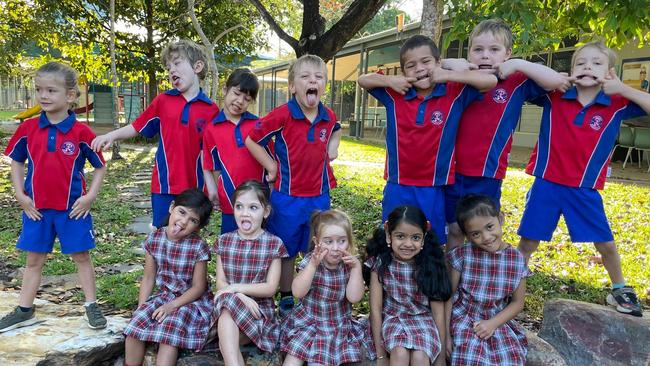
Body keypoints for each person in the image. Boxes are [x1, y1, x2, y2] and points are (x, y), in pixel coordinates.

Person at [518, 41, 649, 317]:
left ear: (610, 72)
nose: (588, 67)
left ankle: (620, 289)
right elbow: (526, 77)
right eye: (581, 63)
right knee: (528, 241)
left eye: (597, 63)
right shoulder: (555, 94)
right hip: (547, 183)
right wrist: (558, 78)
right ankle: (510, 285)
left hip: (583, 188)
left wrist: (623, 88)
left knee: (605, 242)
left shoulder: (617, 102)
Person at [357, 35, 497, 246]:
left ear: (438, 63)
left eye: (426, 62)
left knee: (430, 242)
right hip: (398, 183)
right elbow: (363, 79)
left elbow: (490, 81)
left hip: (433, 185)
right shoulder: (395, 93)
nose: (419, 68)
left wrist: (448, 74)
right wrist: (390, 80)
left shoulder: (454, 92)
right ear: (404, 72)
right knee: (392, 238)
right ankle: (387, 277)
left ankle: (426, 278)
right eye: (411, 65)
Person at [443, 19, 570, 249]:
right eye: (478, 49)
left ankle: (481, 279)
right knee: (454, 229)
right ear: (469, 53)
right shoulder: (462, 78)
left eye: (494, 50)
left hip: (488, 172)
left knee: (483, 232)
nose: (485, 56)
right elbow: (426, 68)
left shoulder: (516, 82)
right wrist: (449, 63)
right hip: (450, 171)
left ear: (507, 53)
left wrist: (519, 64)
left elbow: (557, 81)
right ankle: (452, 283)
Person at [0, 62, 107, 332]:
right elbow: (16, 162)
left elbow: (100, 166)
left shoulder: (81, 132)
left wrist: (89, 197)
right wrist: (20, 195)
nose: (43, 96)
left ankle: (91, 305)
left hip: (72, 210)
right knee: (33, 260)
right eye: (39, 90)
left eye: (51, 90)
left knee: (81, 256)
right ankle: (25, 309)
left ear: (70, 96)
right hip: (36, 209)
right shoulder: (28, 129)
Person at [245, 54, 342, 316]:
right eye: (305, 77)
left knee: (316, 247)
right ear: (292, 86)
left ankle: (314, 293)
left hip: (319, 196)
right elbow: (252, 140)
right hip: (287, 197)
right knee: (286, 250)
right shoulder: (283, 114)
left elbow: (337, 128)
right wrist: (272, 166)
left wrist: (333, 147)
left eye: (319, 77)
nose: (313, 81)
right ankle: (287, 295)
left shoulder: (327, 115)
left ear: (324, 85)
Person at [91, 40, 219, 228]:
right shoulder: (163, 101)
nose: (171, 70)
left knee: (189, 236)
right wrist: (111, 135)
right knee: (162, 235)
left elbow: (211, 154)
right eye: (168, 67)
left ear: (197, 66)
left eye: (177, 63)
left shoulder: (211, 110)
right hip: (164, 184)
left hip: (195, 188)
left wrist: (213, 187)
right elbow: (137, 126)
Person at [123, 189, 214, 366]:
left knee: (168, 333)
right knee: (134, 330)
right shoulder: (154, 239)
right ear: (172, 207)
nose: (183, 222)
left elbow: (198, 287)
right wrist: (141, 308)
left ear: (198, 227)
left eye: (193, 220)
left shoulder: (198, 247)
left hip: (191, 301)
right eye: (182, 212)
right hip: (164, 296)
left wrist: (172, 306)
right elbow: (149, 278)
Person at [281, 210, 374, 366]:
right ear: (317, 242)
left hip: (337, 326)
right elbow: (297, 292)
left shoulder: (349, 265)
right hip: (308, 323)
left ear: (349, 241)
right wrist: (312, 266)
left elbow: (354, 297)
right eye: (328, 242)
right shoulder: (311, 261)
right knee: (292, 360)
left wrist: (356, 269)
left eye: (342, 241)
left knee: (320, 361)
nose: (336, 248)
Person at [211, 180, 288, 365]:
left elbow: (270, 288)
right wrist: (239, 296)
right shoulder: (224, 241)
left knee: (227, 333)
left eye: (253, 207)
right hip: (226, 307)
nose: (245, 213)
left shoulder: (273, 244)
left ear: (266, 212)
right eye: (239, 207)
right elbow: (220, 284)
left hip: (258, 313)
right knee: (227, 310)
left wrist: (235, 289)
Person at [446, 194, 529, 365]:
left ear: (500, 219)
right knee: (470, 357)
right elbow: (448, 296)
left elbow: (517, 303)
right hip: (464, 317)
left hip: (497, 319)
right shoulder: (462, 255)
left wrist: (493, 323)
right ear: (467, 236)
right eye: (476, 234)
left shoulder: (516, 259)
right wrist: (445, 335)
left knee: (510, 358)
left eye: (490, 227)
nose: (486, 237)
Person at [365, 205, 451, 366]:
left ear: (424, 236)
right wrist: (381, 356)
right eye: (400, 236)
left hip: (424, 321)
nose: (408, 244)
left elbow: (438, 312)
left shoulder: (429, 264)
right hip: (393, 319)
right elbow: (375, 309)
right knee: (399, 354)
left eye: (416, 238)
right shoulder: (381, 264)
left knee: (420, 357)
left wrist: (440, 357)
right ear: (388, 233)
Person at [202, 68, 272, 234]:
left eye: (246, 98)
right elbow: (212, 165)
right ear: (225, 90)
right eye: (237, 93)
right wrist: (216, 192)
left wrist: (272, 193)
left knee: (259, 246)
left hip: (259, 202)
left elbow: (271, 163)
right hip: (231, 204)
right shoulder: (211, 129)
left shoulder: (258, 125)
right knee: (230, 247)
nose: (240, 101)